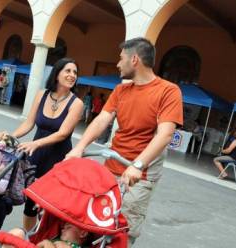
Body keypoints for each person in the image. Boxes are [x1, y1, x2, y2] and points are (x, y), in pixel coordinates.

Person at [65, 37, 183, 246]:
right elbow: (102, 119)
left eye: (121, 59)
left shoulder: (168, 90)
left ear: (134, 59)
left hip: (140, 173)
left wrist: (138, 164)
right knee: (95, 220)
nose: (118, 64)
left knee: (123, 229)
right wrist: (79, 148)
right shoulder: (121, 90)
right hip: (111, 166)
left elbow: (165, 134)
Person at [0, 58, 83, 231]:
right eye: (68, 71)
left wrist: (36, 143)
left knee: (49, 206)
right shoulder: (41, 95)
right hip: (36, 157)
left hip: (58, 160)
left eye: (75, 72)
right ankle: (29, 239)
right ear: (57, 74)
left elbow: (63, 133)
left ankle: (43, 238)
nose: (72, 75)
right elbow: (29, 123)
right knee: (31, 204)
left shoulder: (77, 103)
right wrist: (10, 136)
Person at [2, 222, 90, 248]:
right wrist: (46, 243)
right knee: (18, 232)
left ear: (83, 233)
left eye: (68, 227)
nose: (63, 229)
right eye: (63, 227)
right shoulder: (55, 240)